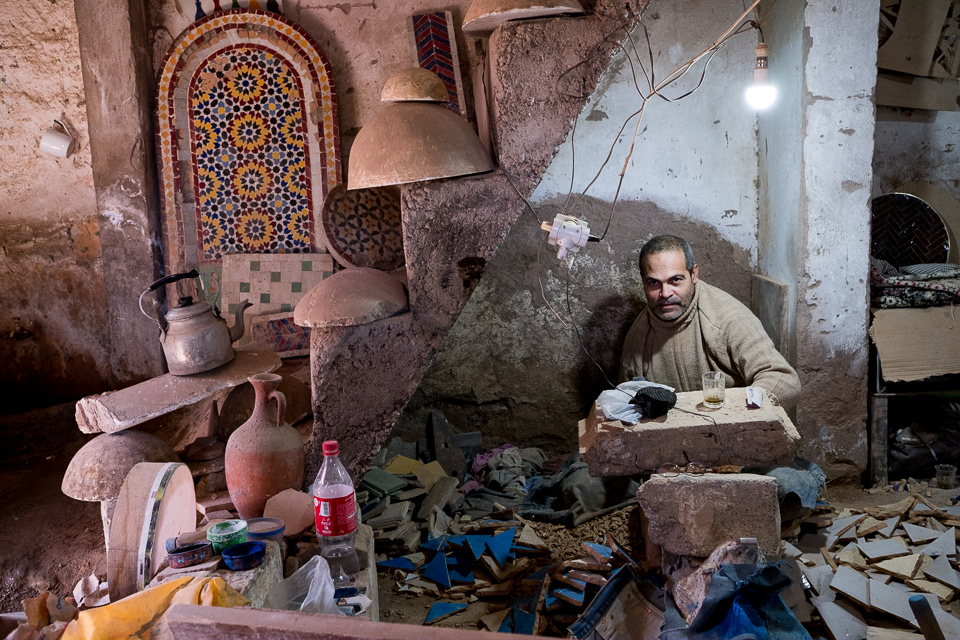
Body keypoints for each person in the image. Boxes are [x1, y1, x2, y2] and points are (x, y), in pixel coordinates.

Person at [619, 235, 801, 409]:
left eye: (675, 280)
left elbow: (784, 381)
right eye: (653, 283)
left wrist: (734, 413)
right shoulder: (637, 339)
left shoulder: (728, 318)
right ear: (643, 282)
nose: (665, 293)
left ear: (694, 274)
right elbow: (626, 403)